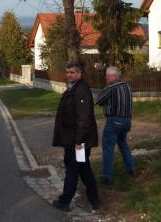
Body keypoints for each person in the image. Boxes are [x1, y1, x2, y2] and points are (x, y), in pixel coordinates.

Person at [51, 61, 100, 213]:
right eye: (67, 72)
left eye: (72, 72)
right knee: (84, 169)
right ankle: (95, 199)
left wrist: (79, 141)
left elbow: (84, 118)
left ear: (79, 73)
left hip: (78, 141)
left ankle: (65, 201)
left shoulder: (81, 90)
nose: (69, 75)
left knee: (72, 170)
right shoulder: (73, 88)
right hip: (72, 139)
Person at [95, 66, 136, 184]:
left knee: (108, 148)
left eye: (107, 76)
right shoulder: (128, 86)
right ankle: (131, 168)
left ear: (114, 77)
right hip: (127, 121)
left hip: (114, 121)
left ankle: (107, 176)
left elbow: (98, 100)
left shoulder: (111, 88)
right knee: (123, 143)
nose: (106, 78)